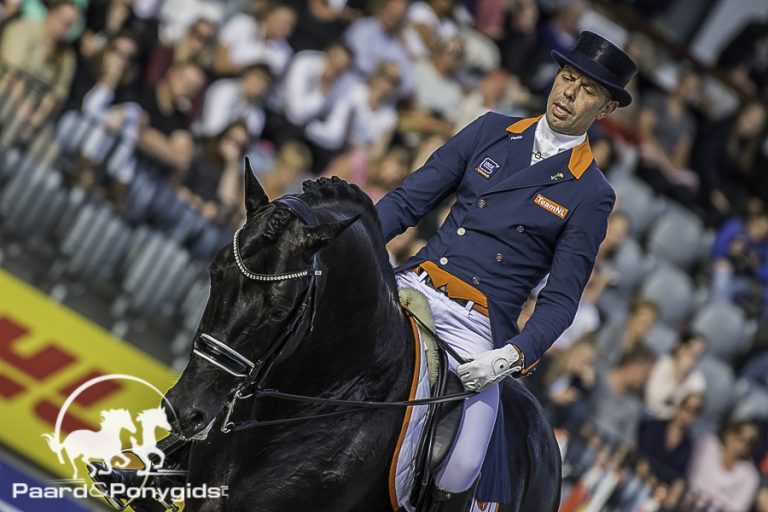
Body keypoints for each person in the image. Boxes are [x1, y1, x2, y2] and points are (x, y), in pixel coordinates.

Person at [375, 31, 637, 509]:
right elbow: (408, 201)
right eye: (567, 78)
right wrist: (352, 241)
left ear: (606, 109)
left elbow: (560, 300)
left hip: (477, 325)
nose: (569, 94)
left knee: (462, 466)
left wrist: (511, 357)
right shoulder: (492, 128)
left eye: (587, 90)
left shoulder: (590, 193)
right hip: (415, 284)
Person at [688, 419, 761, 512]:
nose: (742, 446)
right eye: (740, 438)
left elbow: (738, 508)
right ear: (729, 433)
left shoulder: (751, 475)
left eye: (749, 443)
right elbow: (692, 481)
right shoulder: (708, 446)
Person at [637, 392, 704, 483]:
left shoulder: (688, 447)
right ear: (679, 406)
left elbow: (679, 476)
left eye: (694, 412)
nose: (688, 415)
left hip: (661, 490)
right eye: (686, 408)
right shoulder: (655, 426)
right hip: (639, 477)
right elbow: (641, 455)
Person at [644, 331, 707, 420]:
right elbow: (652, 400)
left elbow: (686, 413)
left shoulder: (698, 382)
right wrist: (677, 377)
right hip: (647, 413)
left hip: (670, 423)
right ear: (680, 346)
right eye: (690, 350)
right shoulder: (663, 363)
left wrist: (681, 377)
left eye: (697, 354)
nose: (692, 357)